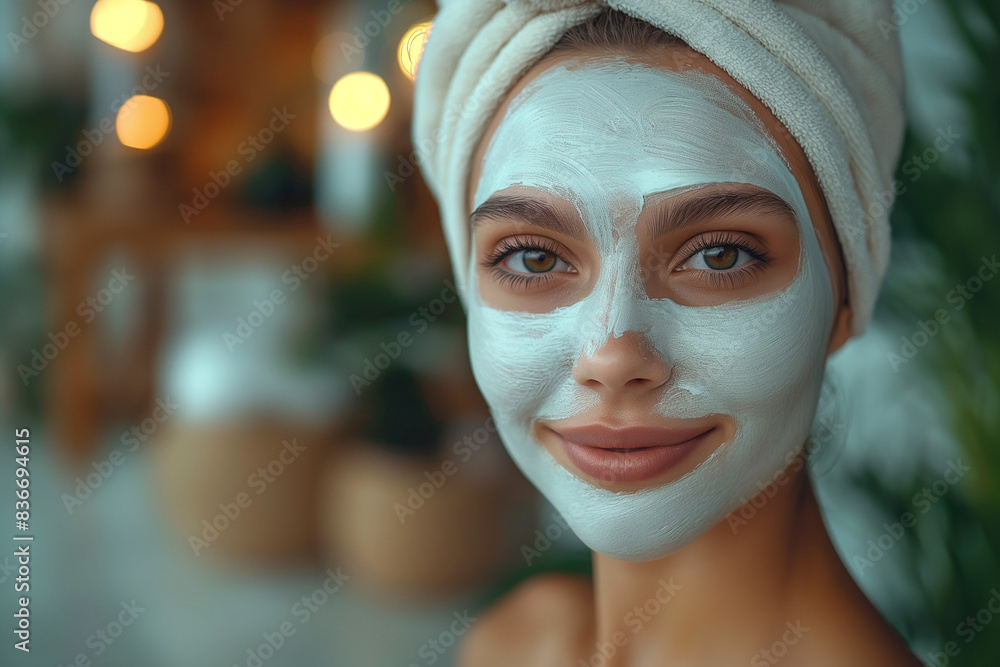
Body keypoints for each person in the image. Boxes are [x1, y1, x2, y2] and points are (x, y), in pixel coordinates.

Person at [412, 1, 919, 664]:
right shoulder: (515, 643)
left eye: (720, 255)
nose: (613, 352)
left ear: (845, 297)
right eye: (532, 257)